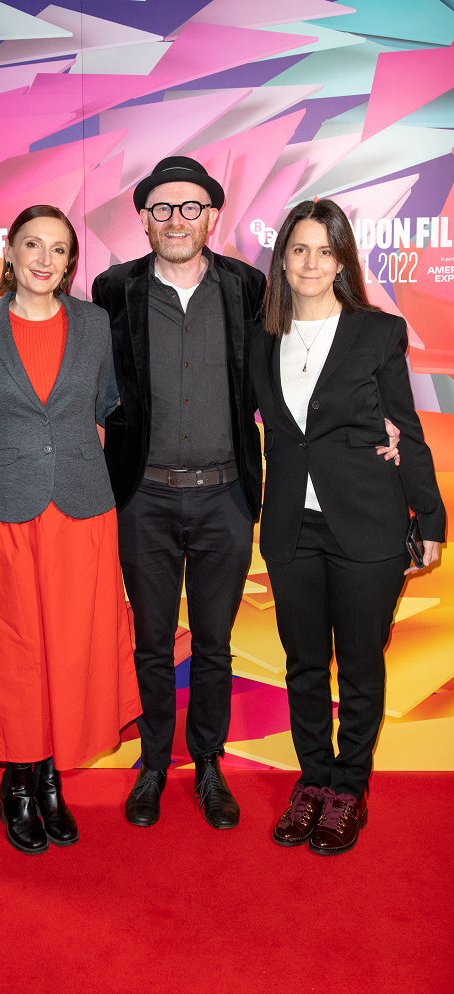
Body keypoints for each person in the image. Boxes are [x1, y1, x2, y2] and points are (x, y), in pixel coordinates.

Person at [92, 157, 401, 832]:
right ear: (143, 218)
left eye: (191, 207)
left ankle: (206, 762)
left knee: (212, 644)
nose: (177, 220)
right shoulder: (111, 289)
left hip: (225, 498)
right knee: (148, 643)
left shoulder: (248, 288)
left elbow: (306, 370)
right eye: (162, 209)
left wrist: (373, 417)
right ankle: (151, 763)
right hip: (141, 496)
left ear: (213, 216)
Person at [254, 198, 445, 855]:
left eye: (323, 250)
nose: (310, 262)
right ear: (282, 256)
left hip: (367, 523)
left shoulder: (375, 332)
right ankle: (311, 782)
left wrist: (430, 515)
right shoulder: (260, 334)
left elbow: (404, 429)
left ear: (340, 260)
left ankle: (347, 791)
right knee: (304, 664)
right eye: (299, 249)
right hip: (290, 526)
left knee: (359, 666)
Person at [0, 205, 140, 855]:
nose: (43, 258)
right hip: (5, 508)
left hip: (81, 508)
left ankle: (50, 779)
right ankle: (18, 780)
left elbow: (107, 405)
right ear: (8, 253)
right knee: (13, 652)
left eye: (58, 249)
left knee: (68, 646)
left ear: (70, 263)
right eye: (30, 245)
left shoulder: (93, 325)